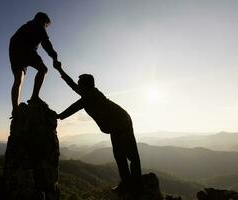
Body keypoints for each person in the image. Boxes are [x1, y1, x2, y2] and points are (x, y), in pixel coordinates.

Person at [54, 62, 142, 193]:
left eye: (80, 84)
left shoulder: (91, 96)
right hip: (115, 125)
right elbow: (72, 85)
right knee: (119, 155)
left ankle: (136, 184)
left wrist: (59, 115)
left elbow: (75, 106)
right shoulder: (87, 93)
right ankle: (127, 183)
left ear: (85, 86)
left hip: (122, 122)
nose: (77, 86)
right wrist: (60, 70)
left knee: (131, 154)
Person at [9, 12, 59, 116]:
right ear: (43, 21)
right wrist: (54, 57)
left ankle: (15, 108)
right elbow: (46, 44)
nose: (45, 28)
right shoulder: (39, 26)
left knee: (18, 79)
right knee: (43, 69)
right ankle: (34, 97)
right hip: (26, 50)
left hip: (14, 50)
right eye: (46, 25)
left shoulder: (26, 26)